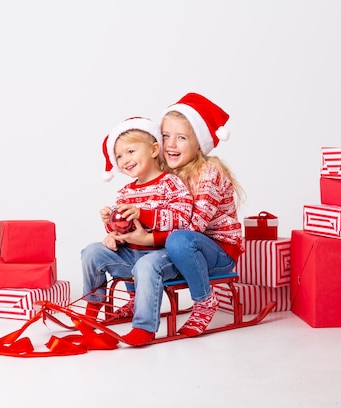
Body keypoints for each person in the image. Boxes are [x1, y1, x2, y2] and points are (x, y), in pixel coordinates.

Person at [80, 117, 193, 344]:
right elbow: (125, 228)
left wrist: (143, 214)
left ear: (153, 150)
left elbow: (183, 219)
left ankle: (144, 327)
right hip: (131, 256)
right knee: (91, 251)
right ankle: (93, 307)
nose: (124, 160)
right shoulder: (125, 192)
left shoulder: (170, 183)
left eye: (130, 151)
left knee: (146, 264)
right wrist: (112, 231)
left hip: (163, 256)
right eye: (119, 156)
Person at [161, 92, 245, 337]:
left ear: (199, 143)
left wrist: (152, 229)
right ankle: (138, 299)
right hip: (186, 246)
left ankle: (204, 301)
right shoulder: (168, 174)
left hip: (219, 250)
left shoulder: (209, 173)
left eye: (181, 138)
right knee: (135, 244)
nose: (170, 144)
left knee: (178, 239)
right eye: (166, 136)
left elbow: (194, 227)